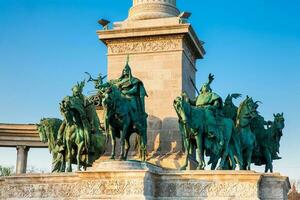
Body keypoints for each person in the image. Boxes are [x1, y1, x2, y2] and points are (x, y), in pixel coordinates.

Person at [195, 73, 224, 146]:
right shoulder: (199, 96)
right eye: (204, 86)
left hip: (207, 109)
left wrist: (211, 107)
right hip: (198, 109)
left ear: (208, 88)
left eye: (206, 86)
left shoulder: (212, 95)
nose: (205, 87)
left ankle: (210, 131)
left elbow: (217, 104)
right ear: (202, 88)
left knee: (208, 114)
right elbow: (193, 102)